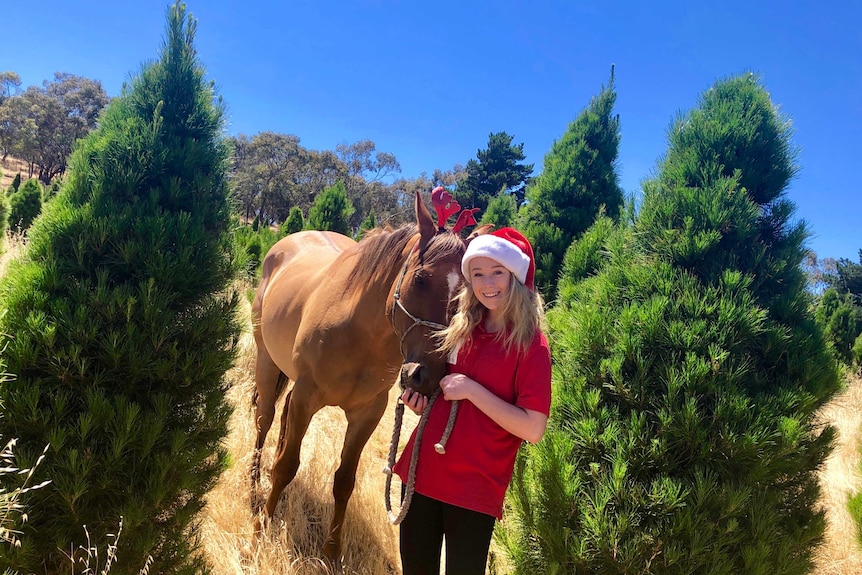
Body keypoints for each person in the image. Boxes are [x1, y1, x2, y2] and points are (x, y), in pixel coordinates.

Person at [393, 227, 552, 575]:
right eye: (477, 273)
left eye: (497, 271)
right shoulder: (460, 328)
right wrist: (422, 403)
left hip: (475, 487)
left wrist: (473, 391)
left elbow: (533, 427)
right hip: (422, 473)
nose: (487, 282)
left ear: (515, 275)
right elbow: (443, 392)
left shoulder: (531, 345)